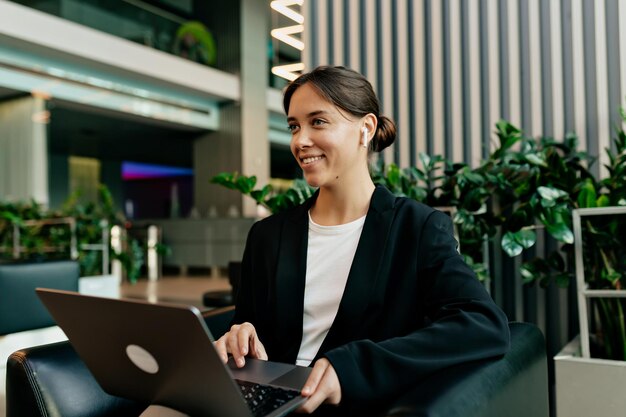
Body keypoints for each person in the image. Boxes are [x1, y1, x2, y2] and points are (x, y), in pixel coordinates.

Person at [214, 65, 510, 415]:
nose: (300, 140)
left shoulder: (417, 228)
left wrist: (353, 368)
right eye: (294, 126)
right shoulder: (268, 235)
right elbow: (249, 326)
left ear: (365, 129)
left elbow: (482, 324)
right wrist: (239, 334)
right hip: (261, 402)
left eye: (318, 122)